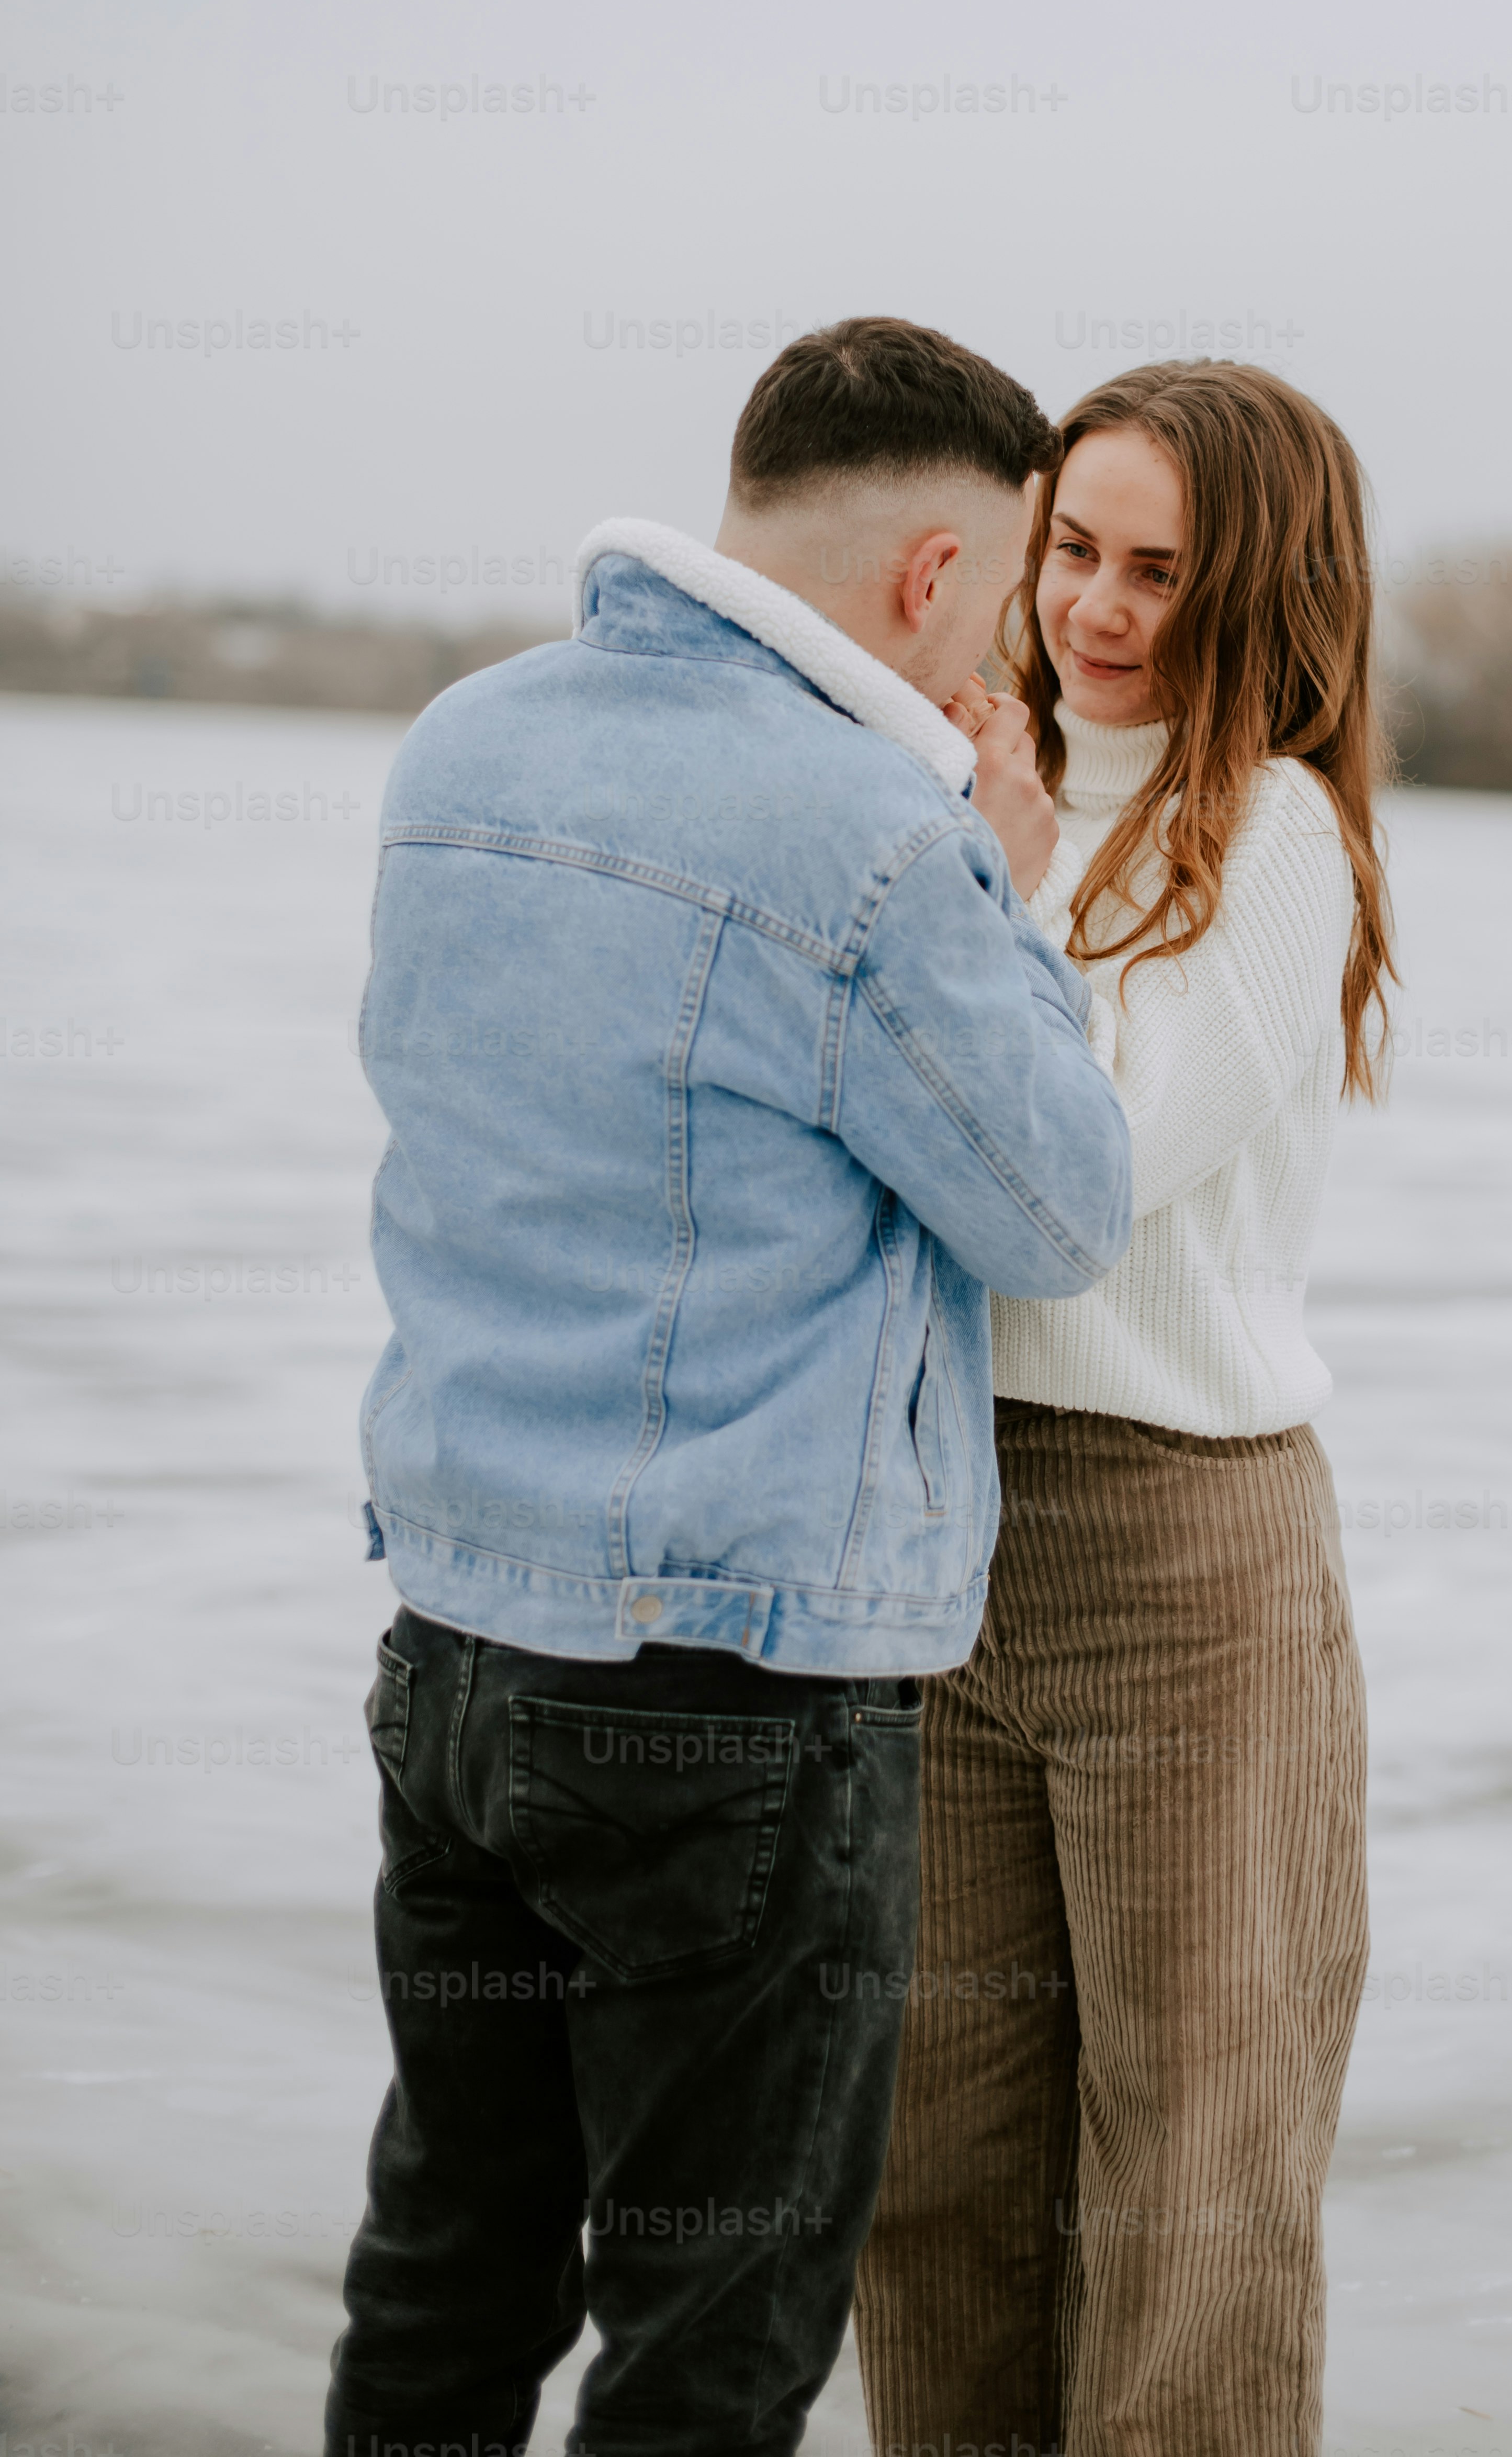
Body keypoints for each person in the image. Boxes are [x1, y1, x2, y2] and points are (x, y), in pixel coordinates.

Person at [324, 319, 1132, 2457]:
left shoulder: (460, 747)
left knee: (446, 2267)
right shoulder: (875, 834)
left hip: (452, 1653)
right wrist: (1016, 891)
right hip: (734, 1692)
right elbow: (1058, 1210)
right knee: (714, 2331)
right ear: (935, 573)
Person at [855, 358, 1396, 2457]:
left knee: (1195, 2200)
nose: (1091, 603)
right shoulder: (956, 782)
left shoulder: (1268, 838)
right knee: (935, 2175)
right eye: (1070, 545)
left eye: (1155, 569)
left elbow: (1076, 1174)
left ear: (1254, 587)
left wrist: (986, 872)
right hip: (937, 1540)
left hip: (1188, 1561)